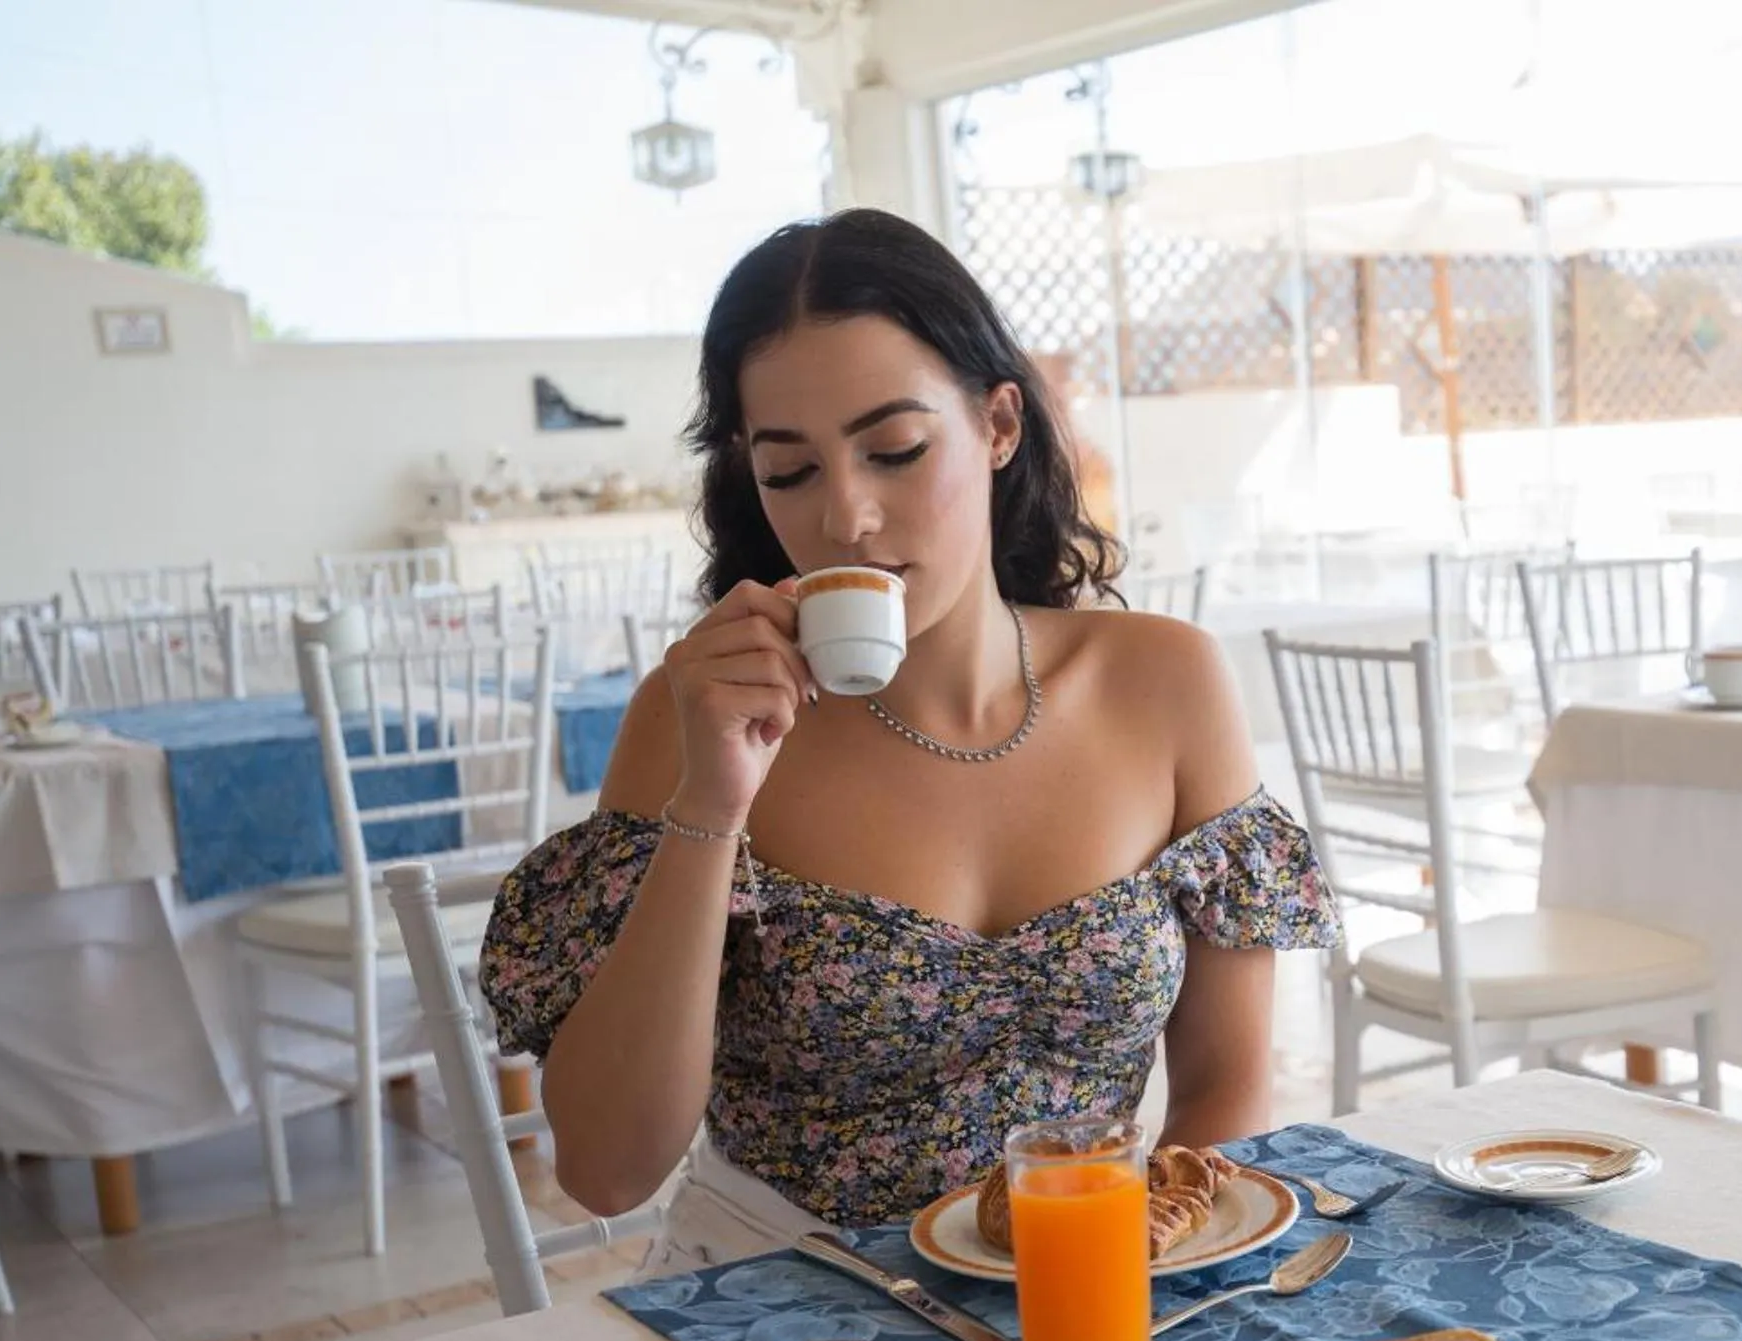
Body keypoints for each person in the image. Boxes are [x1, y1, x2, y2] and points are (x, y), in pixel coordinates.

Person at [480, 209, 1337, 1269]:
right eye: (790, 472)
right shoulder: (693, 717)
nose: (848, 518)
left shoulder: (1166, 683)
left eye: (894, 450)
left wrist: (1135, 1267)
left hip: (1096, 1277)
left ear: (999, 426)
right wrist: (713, 804)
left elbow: (1224, 1085)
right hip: (787, 1314)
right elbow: (606, 1170)